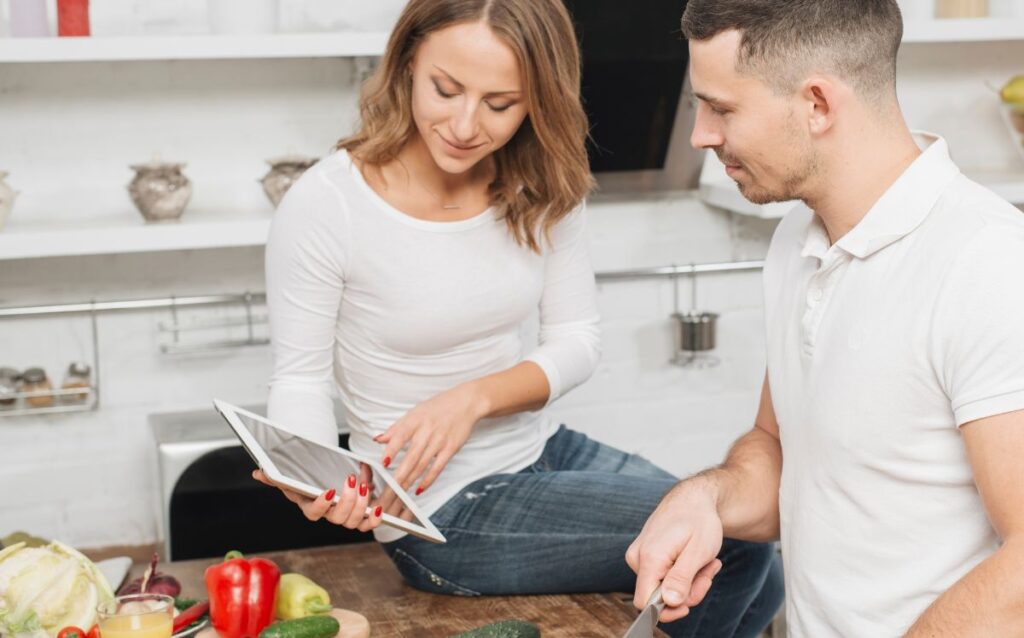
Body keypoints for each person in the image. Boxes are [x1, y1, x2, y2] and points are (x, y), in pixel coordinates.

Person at [258, 0, 783, 635]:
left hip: (541, 450)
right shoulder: (328, 204)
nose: (463, 123)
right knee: (729, 544)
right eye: (444, 89)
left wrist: (472, 399)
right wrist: (316, 475)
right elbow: (299, 381)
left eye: (500, 103)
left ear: (538, 98)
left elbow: (577, 342)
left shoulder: (543, 184)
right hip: (437, 510)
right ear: (405, 65)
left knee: (758, 547)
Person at [627, 0, 1024, 635]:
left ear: (817, 104)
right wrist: (706, 498)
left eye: (722, 107)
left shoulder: (988, 266)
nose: (701, 134)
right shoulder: (795, 239)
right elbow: (782, 451)